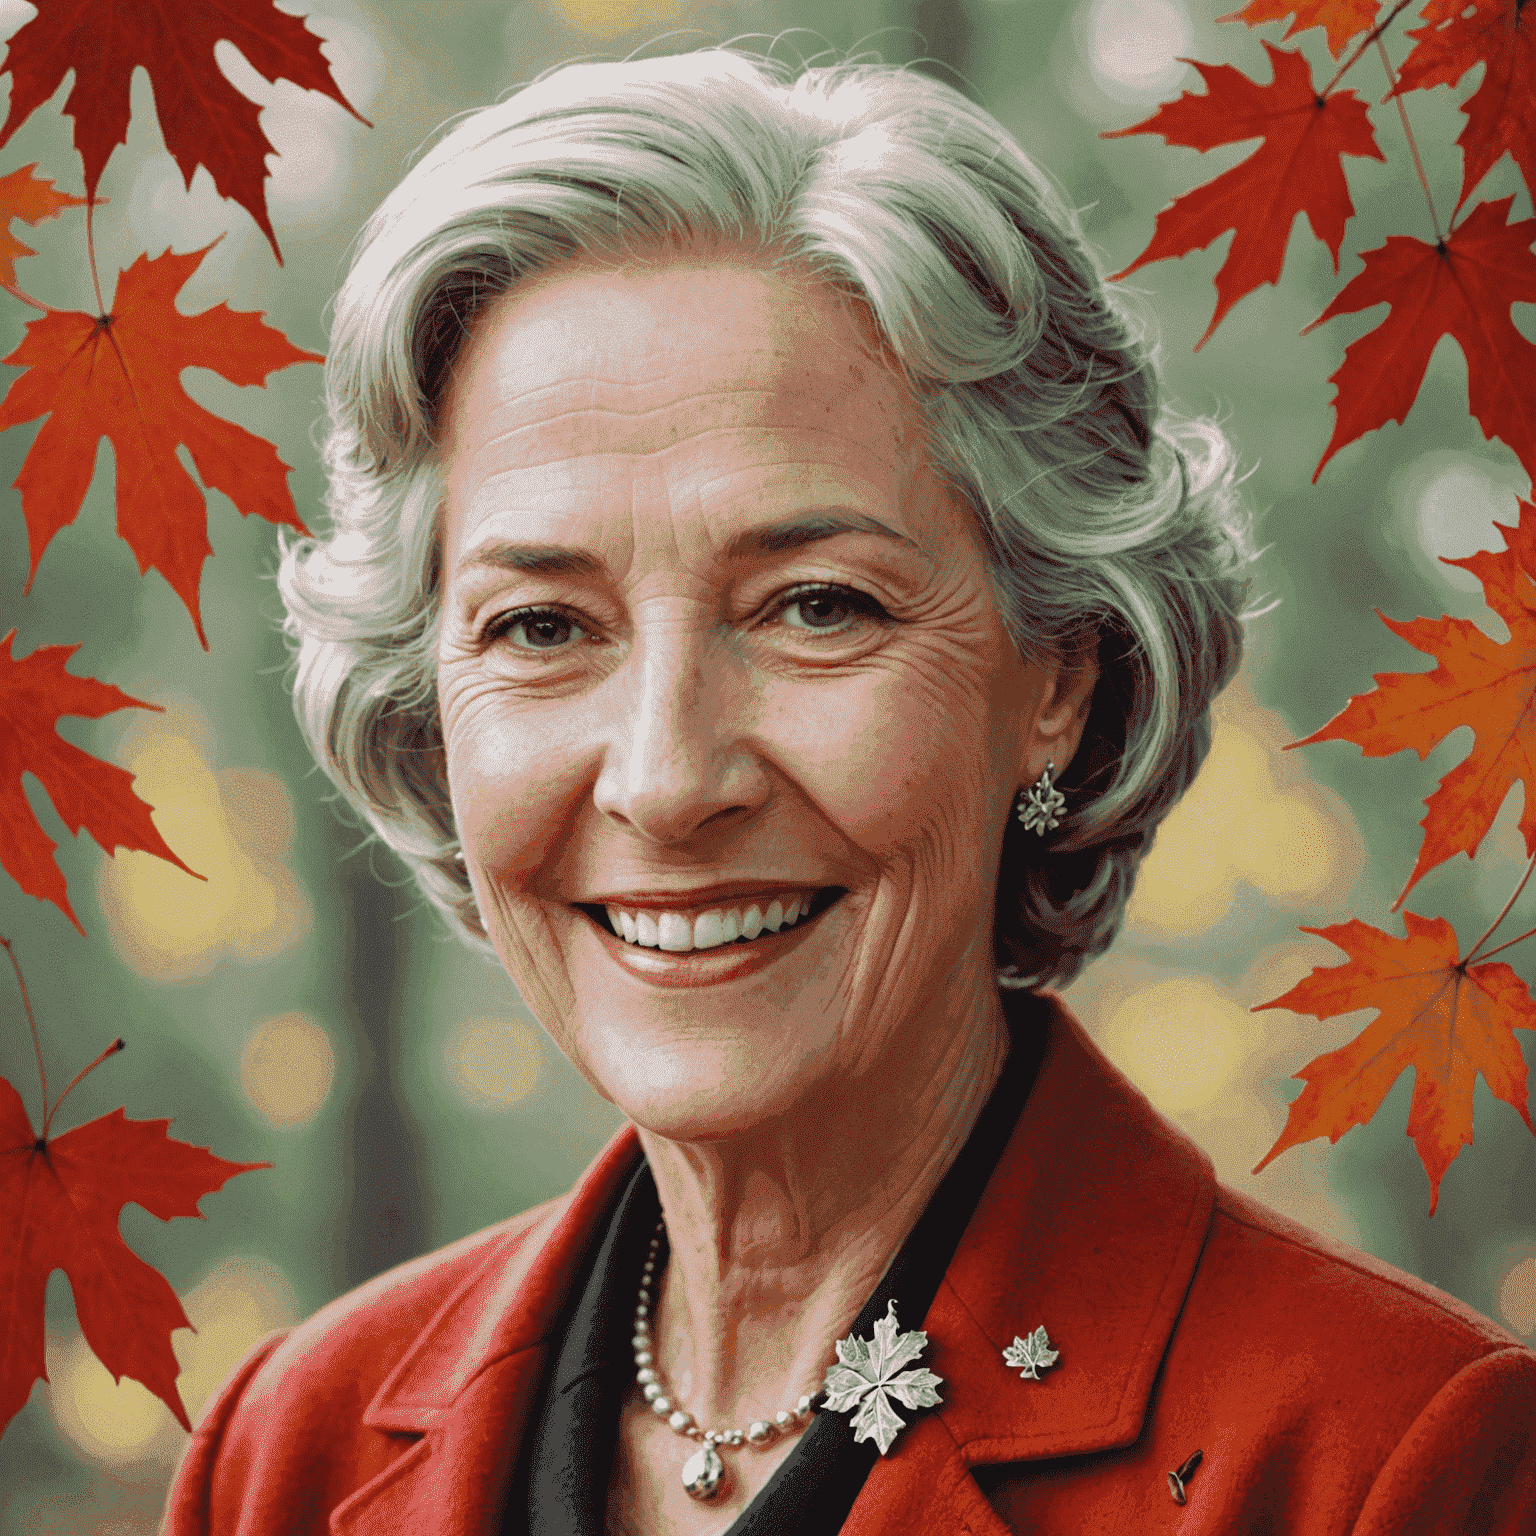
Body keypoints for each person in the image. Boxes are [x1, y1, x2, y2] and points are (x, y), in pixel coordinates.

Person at [160, 44, 1536, 1536]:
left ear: (1057, 675)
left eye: (817, 607)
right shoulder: (283, 1458)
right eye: (543, 626)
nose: (668, 778)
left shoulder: (1390, 1464)